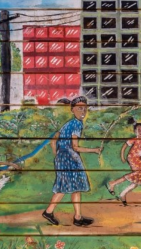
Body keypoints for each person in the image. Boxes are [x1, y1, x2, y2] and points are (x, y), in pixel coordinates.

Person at [42, 96, 101, 227]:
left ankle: (78, 217)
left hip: (65, 158)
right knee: (65, 187)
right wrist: (94, 150)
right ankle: (49, 211)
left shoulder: (68, 124)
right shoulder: (76, 124)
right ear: (72, 109)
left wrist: (57, 154)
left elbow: (54, 139)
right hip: (69, 159)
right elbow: (75, 147)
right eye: (80, 108)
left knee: (75, 187)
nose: (83, 111)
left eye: (85, 109)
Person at [106, 118, 141, 205]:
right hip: (132, 158)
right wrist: (122, 156)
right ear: (135, 131)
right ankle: (113, 183)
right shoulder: (134, 140)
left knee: (138, 179)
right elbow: (124, 147)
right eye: (139, 130)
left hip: (138, 159)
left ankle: (123, 194)